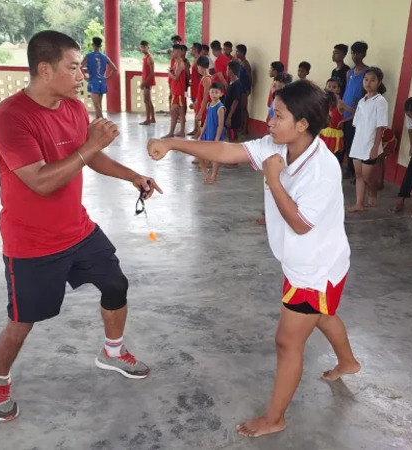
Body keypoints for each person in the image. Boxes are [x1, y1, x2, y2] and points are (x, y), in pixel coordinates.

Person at [147, 79, 360, 438]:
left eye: (278, 116)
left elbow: (300, 224)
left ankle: (275, 418)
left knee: (287, 342)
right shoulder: (279, 145)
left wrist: (274, 180)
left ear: (302, 124)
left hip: (314, 269)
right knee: (322, 315)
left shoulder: (322, 168)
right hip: (305, 262)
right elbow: (227, 150)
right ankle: (348, 362)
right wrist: (172, 143)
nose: (270, 122)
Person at [0, 30, 161, 422]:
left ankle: (112, 352)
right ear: (45, 70)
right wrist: (91, 145)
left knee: (116, 285)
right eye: (74, 67)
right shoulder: (10, 118)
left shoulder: (73, 108)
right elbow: (41, 181)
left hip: (78, 230)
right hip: (31, 242)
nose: (82, 76)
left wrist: (133, 176)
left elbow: (90, 159)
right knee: (22, 322)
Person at [348, 67, 388, 211]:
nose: (368, 83)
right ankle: (359, 204)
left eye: (372, 80)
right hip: (358, 143)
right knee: (358, 175)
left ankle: (373, 192)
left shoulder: (380, 101)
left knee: (367, 177)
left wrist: (375, 147)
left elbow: (380, 126)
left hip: (371, 144)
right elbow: (357, 124)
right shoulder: (362, 101)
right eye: (366, 80)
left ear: (379, 82)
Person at [340, 41, 369, 178]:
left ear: (364, 54)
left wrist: (363, 99)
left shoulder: (367, 73)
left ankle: (353, 171)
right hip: (345, 111)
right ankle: (348, 168)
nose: (355, 56)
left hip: (357, 114)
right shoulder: (349, 72)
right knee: (345, 142)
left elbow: (373, 91)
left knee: (354, 143)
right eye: (353, 53)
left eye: (358, 53)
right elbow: (347, 90)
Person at [81, 37, 117, 119]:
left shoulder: (88, 56)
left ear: (92, 44)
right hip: (102, 82)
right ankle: (99, 120)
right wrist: (107, 78)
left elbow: (80, 66)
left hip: (93, 82)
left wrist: (85, 77)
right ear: (100, 45)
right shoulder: (105, 57)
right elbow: (115, 69)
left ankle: (103, 121)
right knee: (99, 105)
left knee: (96, 106)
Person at [199, 82, 226, 184]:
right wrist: (201, 134)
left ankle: (214, 176)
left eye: (216, 92)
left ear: (221, 94)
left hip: (215, 135)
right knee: (200, 154)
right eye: (212, 92)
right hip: (207, 134)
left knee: (215, 158)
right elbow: (206, 120)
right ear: (209, 93)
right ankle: (206, 174)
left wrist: (217, 138)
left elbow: (220, 124)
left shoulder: (220, 107)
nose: (214, 94)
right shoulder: (209, 105)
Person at [319, 77, 352, 158]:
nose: (331, 89)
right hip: (324, 132)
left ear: (338, 90)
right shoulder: (324, 101)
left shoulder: (340, 103)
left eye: (334, 87)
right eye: (329, 86)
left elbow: (355, 113)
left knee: (332, 157)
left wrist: (343, 121)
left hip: (335, 134)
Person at [165, 45, 187, 138]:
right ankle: (180, 131)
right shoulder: (176, 62)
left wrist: (170, 74)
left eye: (173, 51)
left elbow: (176, 77)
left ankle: (172, 132)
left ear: (178, 52)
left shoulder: (180, 63)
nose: (172, 53)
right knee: (180, 112)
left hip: (178, 92)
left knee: (174, 112)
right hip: (176, 91)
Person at [224, 61, 245, 142]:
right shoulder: (231, 83)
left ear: (231, 71)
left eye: (227, 69)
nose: (226, 71)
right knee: (229, 135)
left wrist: (229, 116)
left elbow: (235, 101)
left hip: (234, 115)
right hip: (229, 112)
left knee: (233, 136)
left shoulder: (237, 85)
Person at [235, 44, 253, 136]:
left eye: (237, 51)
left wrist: (248, 89)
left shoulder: (246, 64)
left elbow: (249, 78)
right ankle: (241, 126)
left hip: (244, 89)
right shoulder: (239, 63)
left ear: (242, 53)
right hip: (239, 88)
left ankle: (245, 128)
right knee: (240, 109)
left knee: (244, 109)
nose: (236, 53)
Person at [188, 43, 203, 136]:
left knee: (198, 111)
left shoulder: (199, 62)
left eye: (192, 49)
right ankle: (195, 129)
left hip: (197, 90)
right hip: (193, 89)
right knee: (196, 111)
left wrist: (200, 91)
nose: (191, 50)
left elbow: (201, 77)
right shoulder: (195, 61)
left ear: (196, 50)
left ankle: (198, 131)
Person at [140, 40, 156, 125]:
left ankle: (147, 119)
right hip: (146, 81)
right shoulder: (145, 57)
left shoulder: (150, 58)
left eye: (144, 47)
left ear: (148, 47)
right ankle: (152, 118)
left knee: (146, 100)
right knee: (148, 100)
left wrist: (144, 82)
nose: (143, 49)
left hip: (148, 82)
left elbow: (152, 73)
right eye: (142, 47)